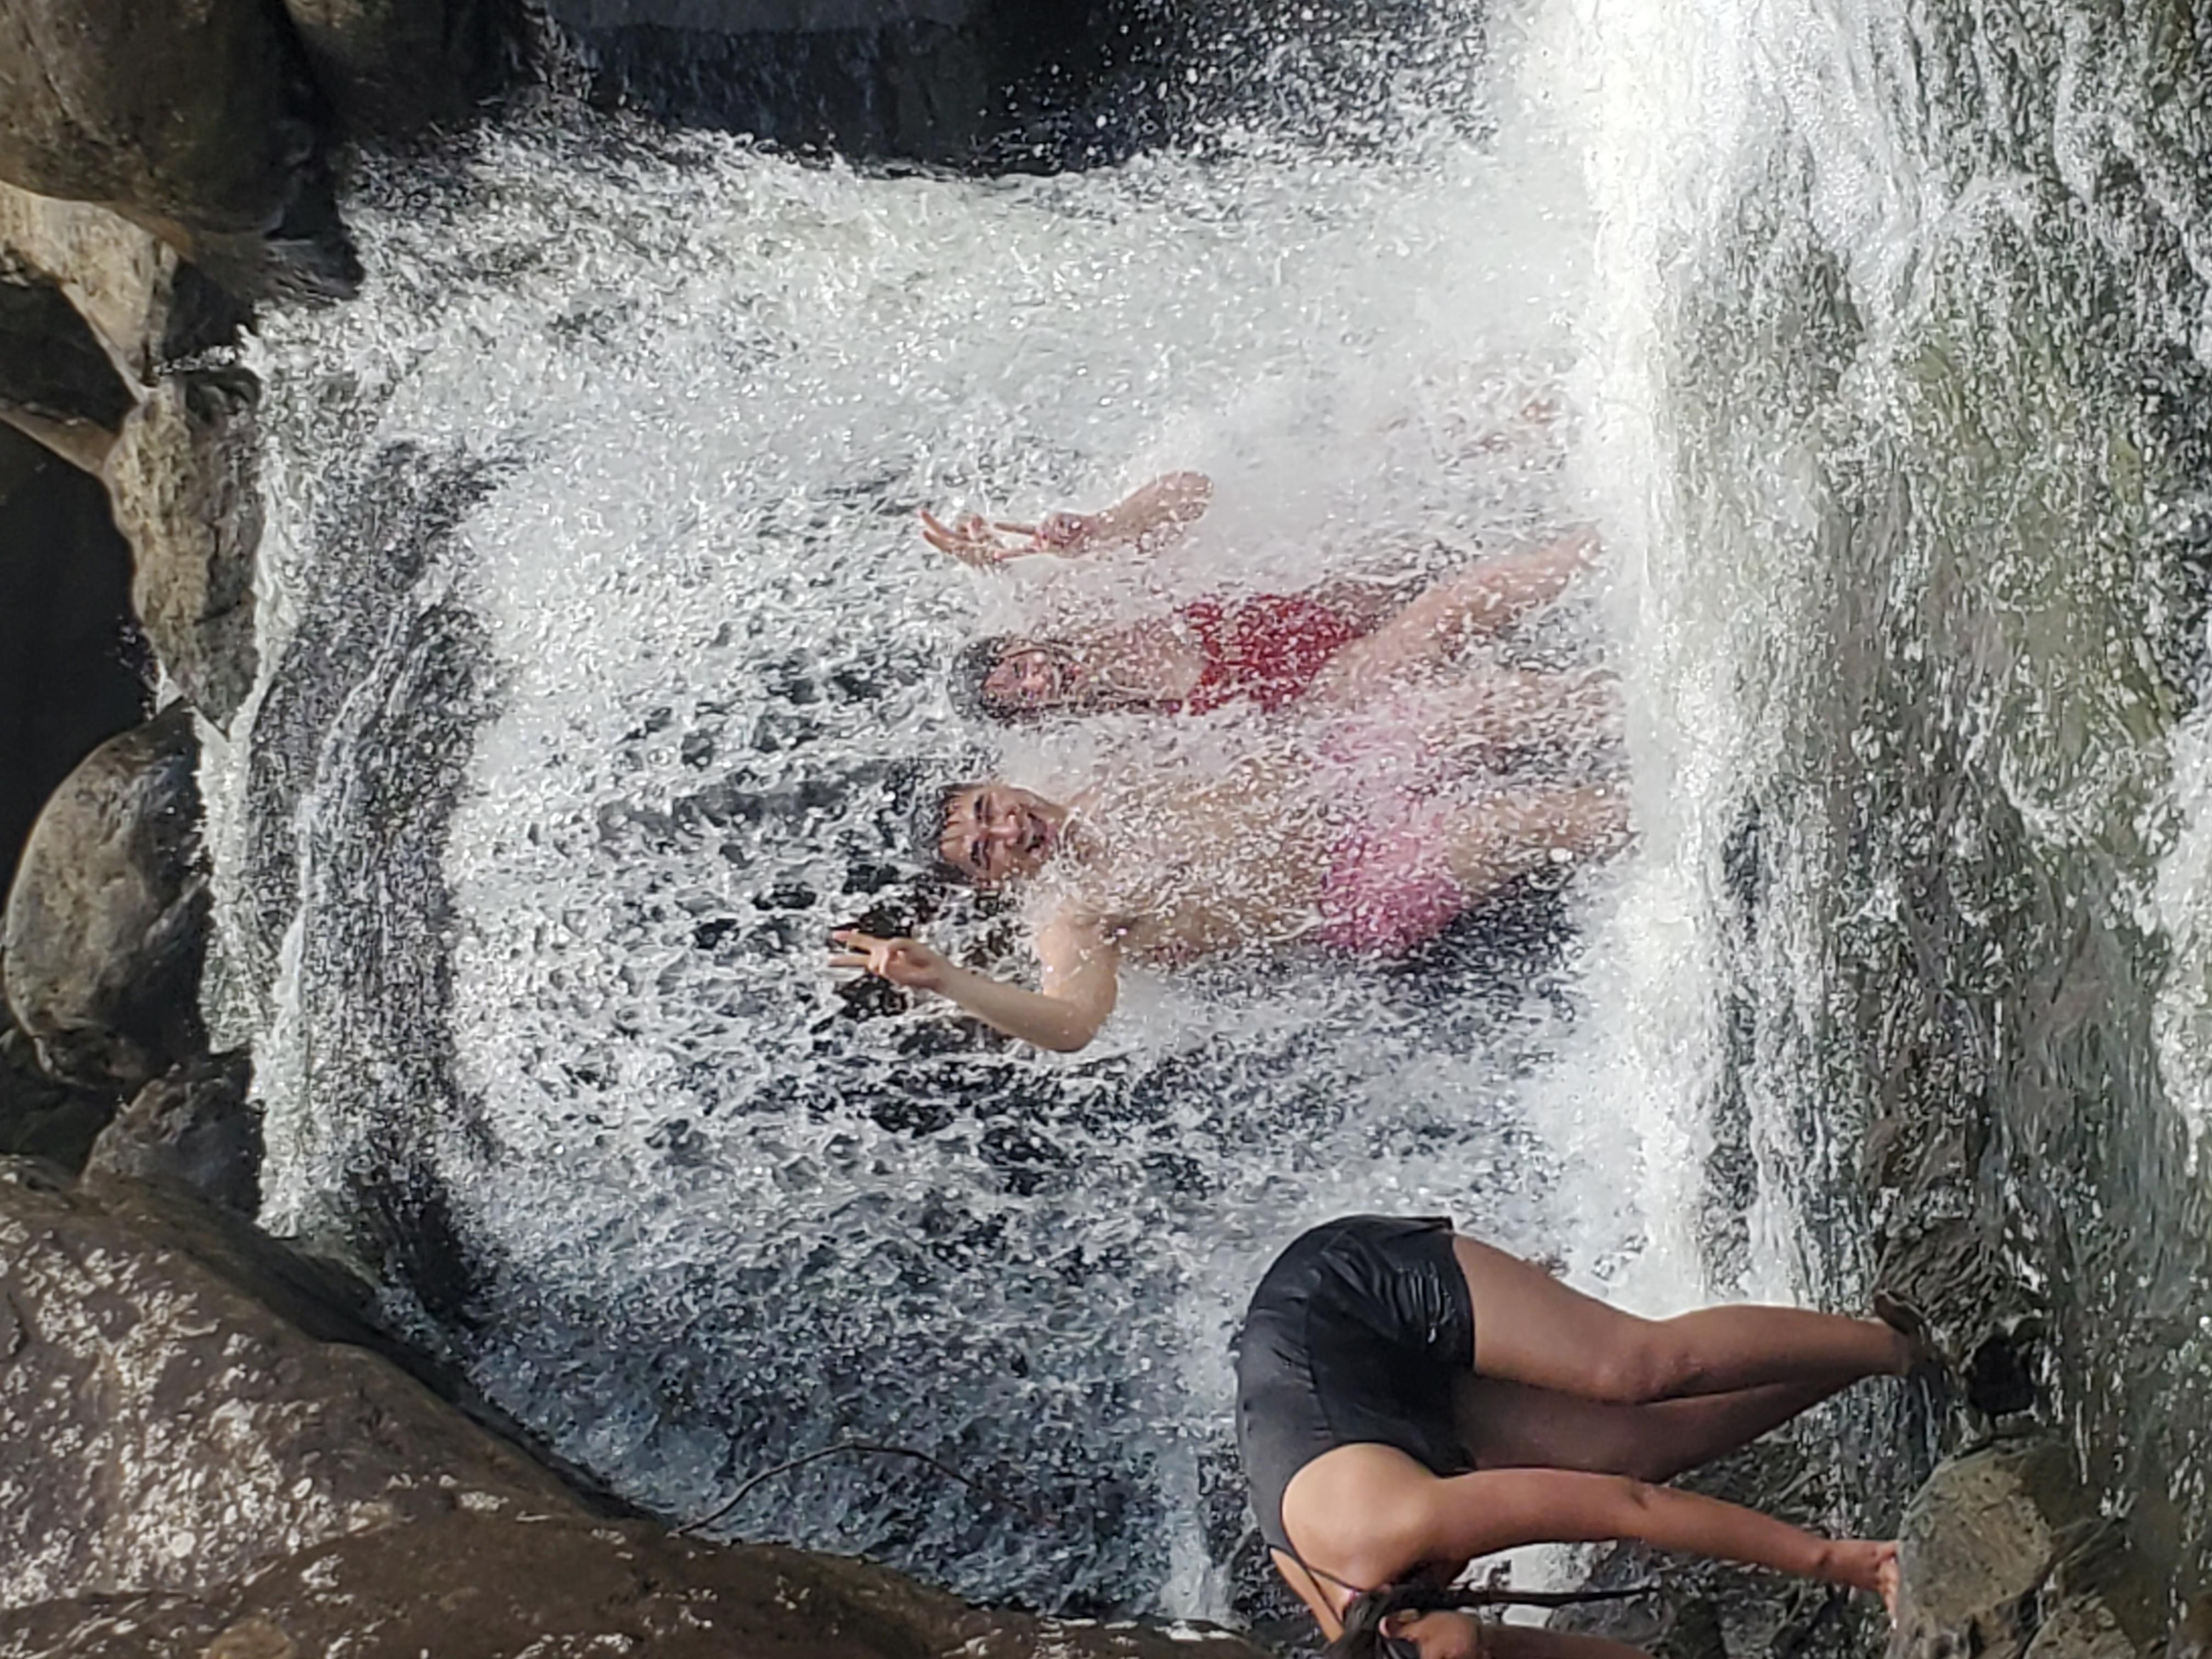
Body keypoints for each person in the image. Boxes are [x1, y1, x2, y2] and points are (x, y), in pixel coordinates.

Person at [1235, 1216, 1918, 1659]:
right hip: (1384, 1407)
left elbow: (1633, 1508)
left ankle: (1906, 1340)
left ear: (1397, 1629)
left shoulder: (1398, 1525)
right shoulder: (1408, 1640)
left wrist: (1836, 1562)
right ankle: (1874, 1351)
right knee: (1641, 1448)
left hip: (1346, 1293)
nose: (1479, 1653)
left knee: (1633, 1369)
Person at [828, 738, 1629, 1052]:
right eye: (983, 851)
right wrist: (947, 982)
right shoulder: (1071, 913)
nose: (1004, 830)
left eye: (985, 810)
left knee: (1482, 700)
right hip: (1354, 888)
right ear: (991, 881)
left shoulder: (1076, 767)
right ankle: (1692, 813)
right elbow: (1072, 1024)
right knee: (1515, 819)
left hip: (1345, 786)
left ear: (990, 780)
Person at [923, 475, 1601, 723]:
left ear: (1020, 646)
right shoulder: (1107, 732)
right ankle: (1621, 551)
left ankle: (1601, 513)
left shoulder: (1086, 603)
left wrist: (1104, 528)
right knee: (1471, 598)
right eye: (1018, 699)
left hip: (1319, 604)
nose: (1035, 684)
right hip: (1330, 686)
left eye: (1017, 670)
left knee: (1448, 521)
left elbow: (1191, 492)